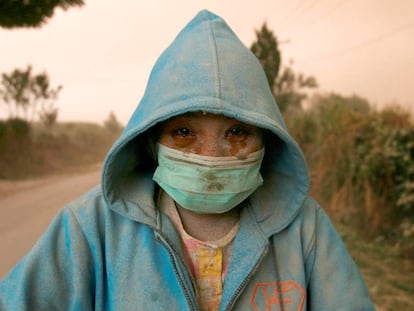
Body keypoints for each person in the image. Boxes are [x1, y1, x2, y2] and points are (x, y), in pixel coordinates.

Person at [0, 10, 375, 310]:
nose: (211, 156)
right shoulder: (90, 229)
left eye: (236, 132)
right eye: (184, 133)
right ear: (151, 141)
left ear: (266, 140)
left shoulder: (304, 231)